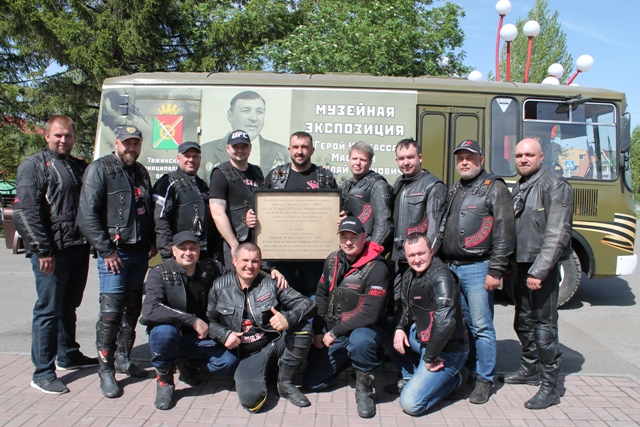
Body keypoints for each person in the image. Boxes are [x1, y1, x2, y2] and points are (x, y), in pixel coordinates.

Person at [13, 115, 97, 394]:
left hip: (77, 247)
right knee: (48, 310)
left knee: (69, 305)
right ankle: (43, 372)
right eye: (58, 135)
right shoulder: (34, 165)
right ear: (47, 136)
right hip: (51, 252)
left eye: (68, 135)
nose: (63, 140)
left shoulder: (78, 166)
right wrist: (42, 250)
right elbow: (25, 212)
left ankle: (68, 354)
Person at [77, 125, 157, 398]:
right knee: (111, 314)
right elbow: (86, 215)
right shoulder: (99, 169)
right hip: (115, 254)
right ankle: (106, 369)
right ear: (116, 143)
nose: (131, 148)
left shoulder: (141, 171)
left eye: (136, 143)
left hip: (139, 254)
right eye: (127, 143)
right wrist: (106, 250)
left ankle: (123, 358)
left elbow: (146, 210)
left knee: (132, 309)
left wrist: (151, 240)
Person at [438, 140, 515, 404]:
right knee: (465, 324)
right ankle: (469, 371)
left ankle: (485, 380)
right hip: (454, 267)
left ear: (481, 160)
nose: (464, 162)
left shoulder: (494, 187)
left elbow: (505, 233)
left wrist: (496, 269)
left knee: (482, 326)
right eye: (460, 158)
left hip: (479, 267)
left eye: (469, 157)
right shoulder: (457, 188)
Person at [207, 242, 316, 412]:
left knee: (303, 327)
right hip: (248, 355)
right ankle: (269, 371)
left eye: (255, 261)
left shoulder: (272, 282)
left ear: (260, 262)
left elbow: (308, 304)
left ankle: (285, 383)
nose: (249, 266)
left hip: (274, 343)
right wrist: (224, 334)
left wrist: (287, 318)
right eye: (245, 260)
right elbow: (210, 322)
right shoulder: (219, 286)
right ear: (234, 261)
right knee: (252, 402)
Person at [506, 138, 573, 410]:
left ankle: (550, 388)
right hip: (520, 266)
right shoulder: (520, 186)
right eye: (519, 155)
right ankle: (529, 369)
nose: (523, 159)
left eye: (529, 155)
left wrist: (540, 271)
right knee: (522, 322)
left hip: (539, 269)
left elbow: (558, 233)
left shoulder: (554, 185)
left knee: (544, 329)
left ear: (541, 157)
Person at [303, 217, 389, 419]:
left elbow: (371, 313)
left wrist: (334, 332)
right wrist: (319, 330)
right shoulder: (332, 260)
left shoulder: (378, 268)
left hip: (366, 329)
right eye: (344, 237)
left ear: (364, 237)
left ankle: (365, 390)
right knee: (313, 383)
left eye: (354, 237)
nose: (348, 242)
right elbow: (322, 296)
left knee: (360, 341)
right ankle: (351, 359)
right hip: (338, 329)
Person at [141, 231, 238, 409]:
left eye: (193, 248)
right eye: (183, 248)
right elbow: (149, 310)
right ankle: (165, 380)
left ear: (199, 250)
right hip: (172, 333)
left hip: (199, 337)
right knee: (163, 333)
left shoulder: (210, 268)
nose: (188, 253)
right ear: (173, 250)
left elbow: (239, 276)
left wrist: (270, 274)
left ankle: (188, 362)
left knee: (228, 363)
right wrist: (192, 320)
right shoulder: (159, 272)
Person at [387, 232, 469, 416]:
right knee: (385, 328)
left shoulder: (442, 277)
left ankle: (456, 379)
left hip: (447, 350)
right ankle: (412, 376)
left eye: (421, 253)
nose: (417, 260)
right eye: (411, 255)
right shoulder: (409, 275)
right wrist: (399, 328)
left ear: (431, 251)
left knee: (410, 404)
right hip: (422, 337)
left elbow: (445, 323)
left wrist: (430, 357)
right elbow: (404, 307)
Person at [264, 131, 337, 296]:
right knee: (283, 297)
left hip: (314, 255)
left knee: (313, 299)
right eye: (295, 147)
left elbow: (335, 210)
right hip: (281, 253)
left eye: (304, 147)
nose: (300, 151)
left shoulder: (324, 177)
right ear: (289, 149)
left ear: (312, 150)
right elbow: (263, 209)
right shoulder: (275, 176)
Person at [392, 139, 447, 303]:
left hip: (419, 263)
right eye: (401, 158)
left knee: (420, 306)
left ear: (420, 157)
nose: (406, 162)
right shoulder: (399, 184)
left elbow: (435, 231)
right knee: (398, 306)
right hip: (398, 259)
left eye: (410, 157)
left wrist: (423, 261)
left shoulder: (433, 186)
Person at [200, 90, 287, 182]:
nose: (253, 118)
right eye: (246, 111)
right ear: (230, 115)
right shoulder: (205, 152)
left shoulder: (281, 151)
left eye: (259, 111)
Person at [152, 141, 217, 260]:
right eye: (187, 156)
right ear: (178, 158)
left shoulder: (202, 185)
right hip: (180, 255)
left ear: (200, 159)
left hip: (202, 254)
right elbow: (160, 221)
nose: (191, 160)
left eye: (195, 156)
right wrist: (168, 255)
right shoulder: (168, 182)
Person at [209, 130, 264, 268]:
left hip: (256, 240)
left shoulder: (257, 172)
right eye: (235, 146)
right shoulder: (220, 173)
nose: (240, 150)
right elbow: (217, 213)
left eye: (244, 146)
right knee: (234, 279)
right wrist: (233, 244)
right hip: (233, 242)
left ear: (250, 148)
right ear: (228, 148)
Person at [339, 141, 394, 254]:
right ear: (349, 159)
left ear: (370, 162)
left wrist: (370, 252)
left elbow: (384, 225)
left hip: (367, 247)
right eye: (354, 158)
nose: (357, 163)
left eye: (363, 160)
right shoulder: (347, 186)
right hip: (349, 248)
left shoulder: (378, 186)